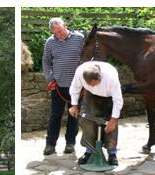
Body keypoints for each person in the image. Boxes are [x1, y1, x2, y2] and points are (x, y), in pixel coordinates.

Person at [41, 17, 84, 155]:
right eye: (55, 33)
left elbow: (87, 58)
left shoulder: (80, 38)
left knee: (74, 116)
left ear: (65, 26)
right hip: (58, 86)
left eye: (60, 31)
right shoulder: (50, 42)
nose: (58, 35)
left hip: (77, 87)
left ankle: (70, 144)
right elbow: (46, 62)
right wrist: (49, 79)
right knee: (55, 116)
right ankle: (50, 144)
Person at [68, 61, 124, 166]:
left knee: (111, 127)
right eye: (89, 84)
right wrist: (74, 105)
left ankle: (112, 154)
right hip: (91, 97)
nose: (93, 86)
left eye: (94, 84)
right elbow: (75, 88)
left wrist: (113, 120)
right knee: (88, 123)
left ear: (100, 78)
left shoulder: (111, 78)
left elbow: (118, 100)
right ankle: (89, 151)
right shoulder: (80, 72)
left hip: (109, 98)